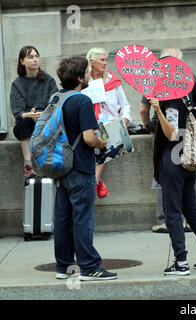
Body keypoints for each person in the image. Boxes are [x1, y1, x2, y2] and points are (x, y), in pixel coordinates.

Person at [149, 50, 196, 276]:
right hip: (189, 155)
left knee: (173, 211)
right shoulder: (188, 84)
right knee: (191, 207)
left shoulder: (164, 93)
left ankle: (181, 262)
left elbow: (170, 134)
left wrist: (156, 110)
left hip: (172, 156)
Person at [53, 56, 117, 281]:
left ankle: (64, 266)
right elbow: (90, 138)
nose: (90, 76)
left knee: (63, 218)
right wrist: (104, 142)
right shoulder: (81, 101)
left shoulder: (57, 98)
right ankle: (89, 267)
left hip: (60, 166)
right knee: (82, 218)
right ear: (80, 77)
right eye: (87, 73)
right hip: (80, 167)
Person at [140, 48, 194, 234]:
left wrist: (148, 126)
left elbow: (142, 110)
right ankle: (187, 220)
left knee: (163, 177)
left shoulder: (153, 81)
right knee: (188, 179)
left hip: (164, 136)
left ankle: (166, 220)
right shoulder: (189, 79)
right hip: (187, 136)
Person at [86, 47, 132, 198]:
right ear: (92, 62)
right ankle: (97, 182)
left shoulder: (114, 81)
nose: (105, 63)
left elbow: (125, 104)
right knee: (99, 132)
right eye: (102, 60)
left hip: (111, 124)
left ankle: (94, 181)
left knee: (104, 134)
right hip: (91, 124)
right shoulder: (86, 81)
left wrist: (125, 118)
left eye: (106, 60)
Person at [10, 45, 58, 178]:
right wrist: (30, 115)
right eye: (30, 57)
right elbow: (17, 112)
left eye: (37, 56)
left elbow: (56, 103)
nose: (35, 60)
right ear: (22, 61)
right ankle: (28, 166)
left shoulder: (49, 80)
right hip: (25, 124)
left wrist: (43, 115)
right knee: (26, 122)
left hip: (46, 122)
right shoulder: (17, 84)